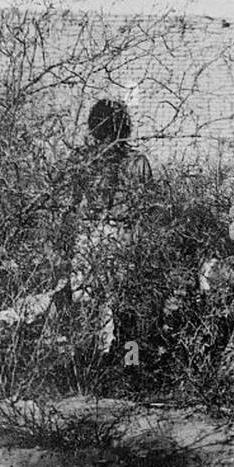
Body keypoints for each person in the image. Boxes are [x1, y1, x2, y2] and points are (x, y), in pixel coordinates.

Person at [69, 97, 153, 355]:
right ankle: (127, 367)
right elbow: (146, 213)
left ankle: (86, 369)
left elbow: (72, 207)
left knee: (88, 308)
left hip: (89, 236)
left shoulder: (82, 161)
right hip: (122, 237)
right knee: (126, 311)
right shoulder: (137, 161)